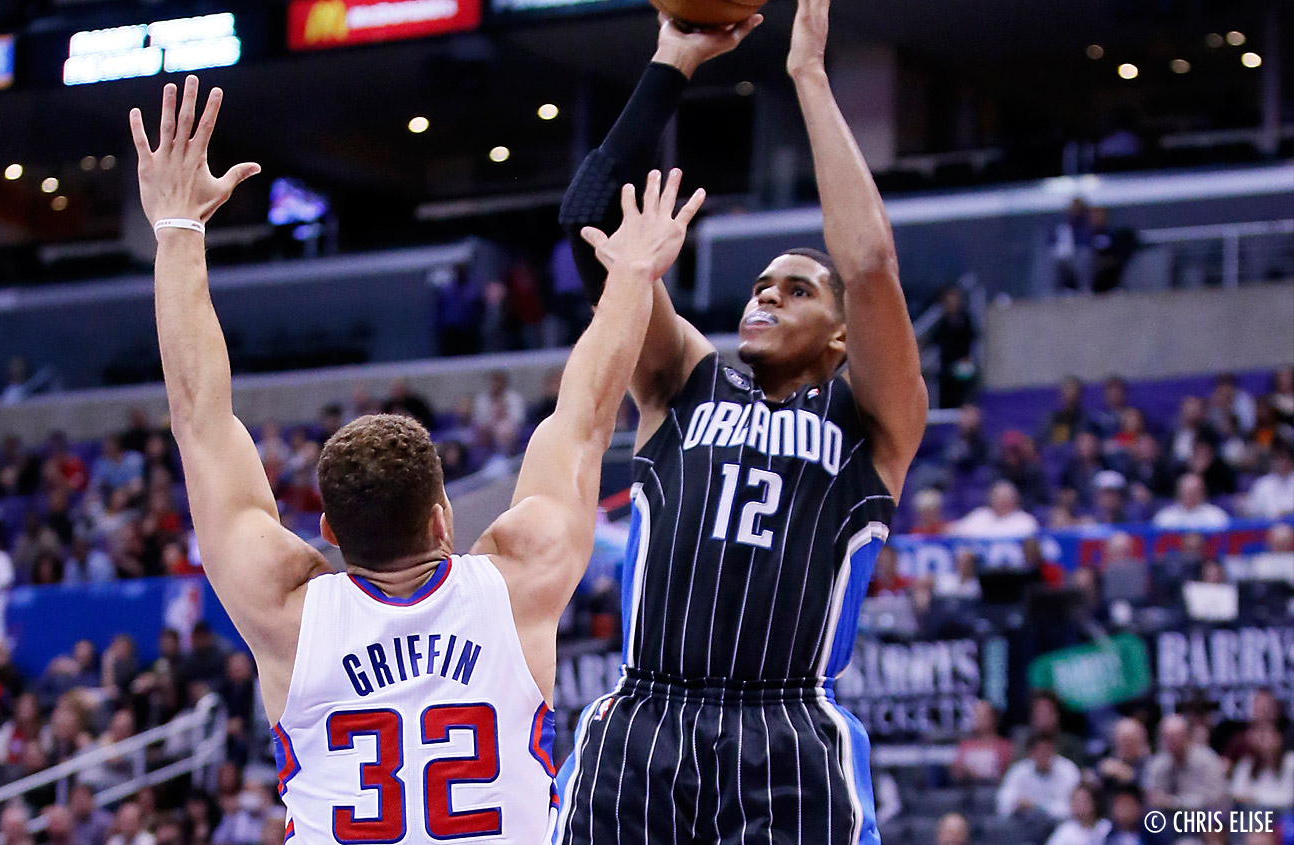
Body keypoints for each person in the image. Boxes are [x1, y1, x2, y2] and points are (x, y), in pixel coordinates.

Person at [130, 76, 703, 843]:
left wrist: (177, 227)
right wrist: (632, 279)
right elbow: (586, 417)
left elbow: (199, 419)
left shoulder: (286, 612)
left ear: (327, 528)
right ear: (443, 517)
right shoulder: (519, 581)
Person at [551, 0, 927, 840]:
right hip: (646, 713)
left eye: (797, 289)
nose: (766, 293)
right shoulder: (683, 374)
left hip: (788, 734)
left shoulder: (874, 419)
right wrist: (669, 65)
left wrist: (808, 78)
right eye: (761, 283)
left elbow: (867, 265)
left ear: (840, 333)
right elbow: (589, 223)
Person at [1143, 714, 1229, 812]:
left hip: (1202, 817)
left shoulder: (1207, 760)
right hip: (1166, 819)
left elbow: (1213, 798)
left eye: (1175, 737)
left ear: (1187, 737)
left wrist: (1174, 802)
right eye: (1166, 737)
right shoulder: (1157, 763)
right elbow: (1151, 796)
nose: (1171, 742)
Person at [950, 481, 1041, 538]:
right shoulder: (980, 515)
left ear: (1015, 500)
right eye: (998, 498)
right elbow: (956, 531)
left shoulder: (1025, 521)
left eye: (1006, 498)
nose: (1002, 502)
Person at [1152, 474, 1230, 530]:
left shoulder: (1216, 516)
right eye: (1186, 492)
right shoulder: (1164, 518)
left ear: (1202, 493)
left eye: (1194, 492)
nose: (1190, 496)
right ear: (1178, 493)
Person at [1045, 785, 1111, 845]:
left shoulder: (1106, 827)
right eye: (1074, 801)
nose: (1078, 805)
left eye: (1083, 801)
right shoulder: (1066, 830)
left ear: (1094, 803)